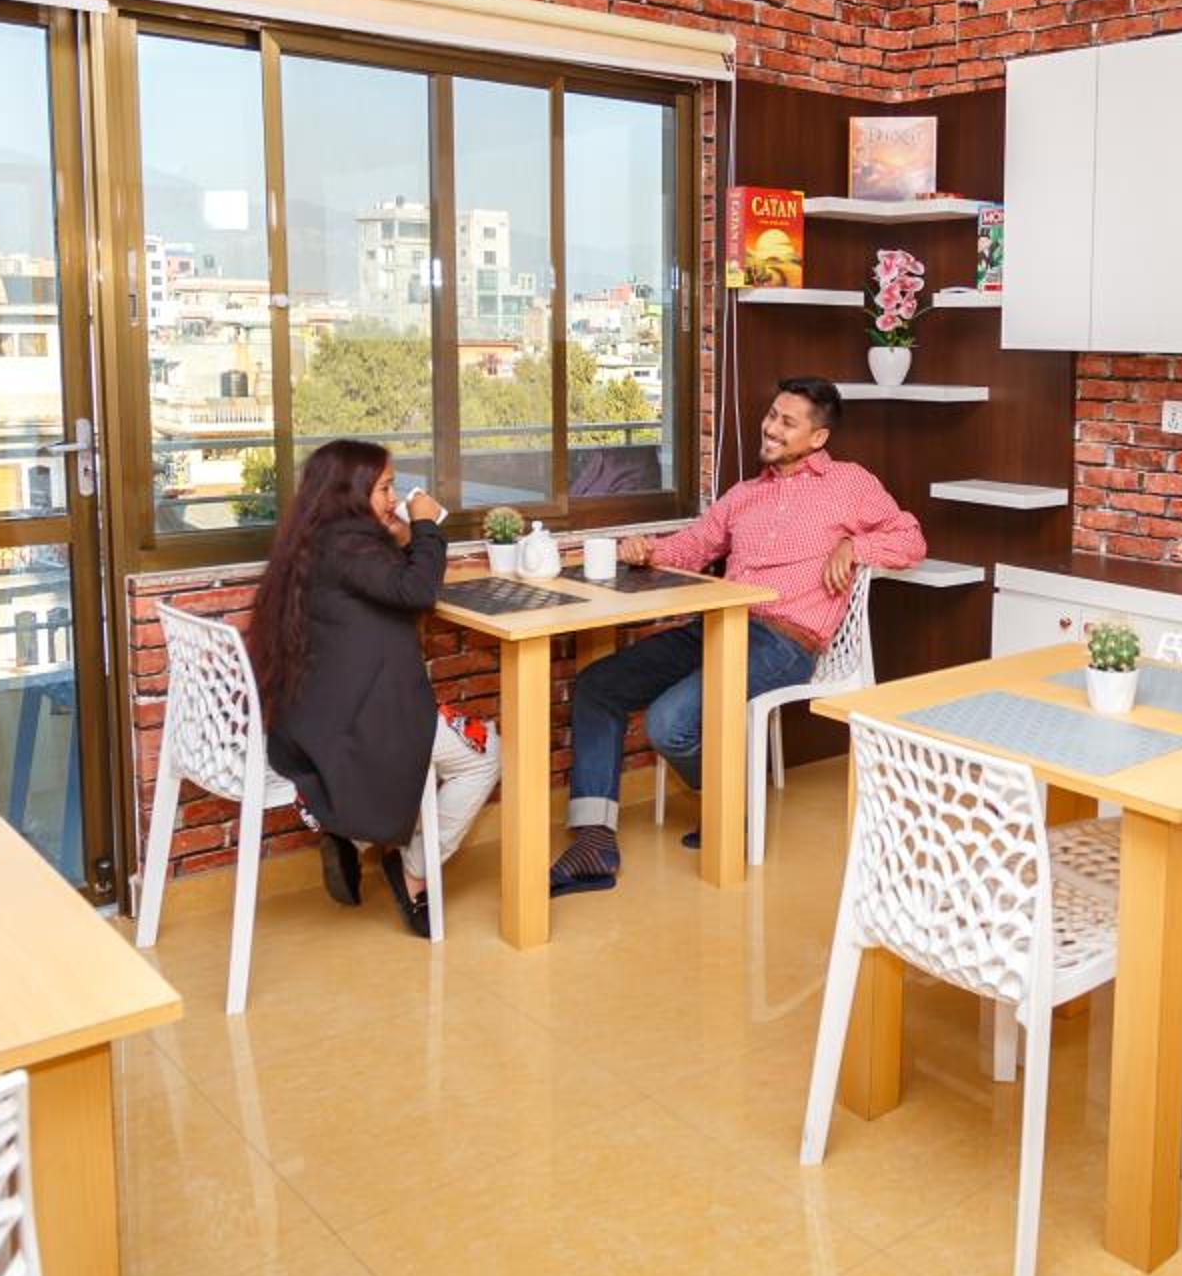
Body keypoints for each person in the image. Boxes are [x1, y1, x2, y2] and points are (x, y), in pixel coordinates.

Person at [549, 377, 925, 895]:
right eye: (771, 415)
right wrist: (647, 550)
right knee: (598, 684)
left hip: (784, 641)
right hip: (717, 623)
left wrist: (854, 548)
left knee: (669, 724)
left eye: (787, 422)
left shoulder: (848, 483)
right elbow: (693, 546)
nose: (770, 428)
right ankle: (594, 841)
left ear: (818, 437)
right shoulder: (744, 495)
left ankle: (732, 805)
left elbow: (911, 539)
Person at [247, 438, 499, 937]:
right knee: (487, 755)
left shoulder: (317, 539)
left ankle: (353, 836)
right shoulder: (349, 546)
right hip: (360, 726)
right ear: (351, 491)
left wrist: (401, 537)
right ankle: (413, 873)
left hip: (311, 721)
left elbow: (382, 580)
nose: (394, 497)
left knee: (443, 742)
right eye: (385, 488)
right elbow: (416, 590)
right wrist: (427, 526)